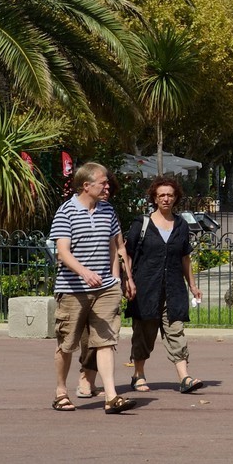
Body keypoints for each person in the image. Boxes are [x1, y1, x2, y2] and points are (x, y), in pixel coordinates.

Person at [50, 162, 134, 414]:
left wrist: (117, 279)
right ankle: (61, 392)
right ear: (86, 185)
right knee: (67, 344)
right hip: (73, 288)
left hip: (106, 289)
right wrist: (84, 272)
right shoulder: (66, 212)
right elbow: (62, 252)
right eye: (102, 182)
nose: (107, 186)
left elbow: (115, 247)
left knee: (106, 341)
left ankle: (111, 396)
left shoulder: (108, 210)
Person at [124, 174, 205, 395]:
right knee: (144, 334)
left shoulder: (180, 225)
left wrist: (192, 285)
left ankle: (184, 377)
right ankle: (138, 375)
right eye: (161, 195)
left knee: (176, 331)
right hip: (146, 289)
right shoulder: (141, 224)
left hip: (173, 289)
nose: (166, 199)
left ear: (176, 197)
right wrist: (128, 280)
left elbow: (185, 257)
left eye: (170, 195)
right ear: (154, 198)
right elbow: (127, 254)